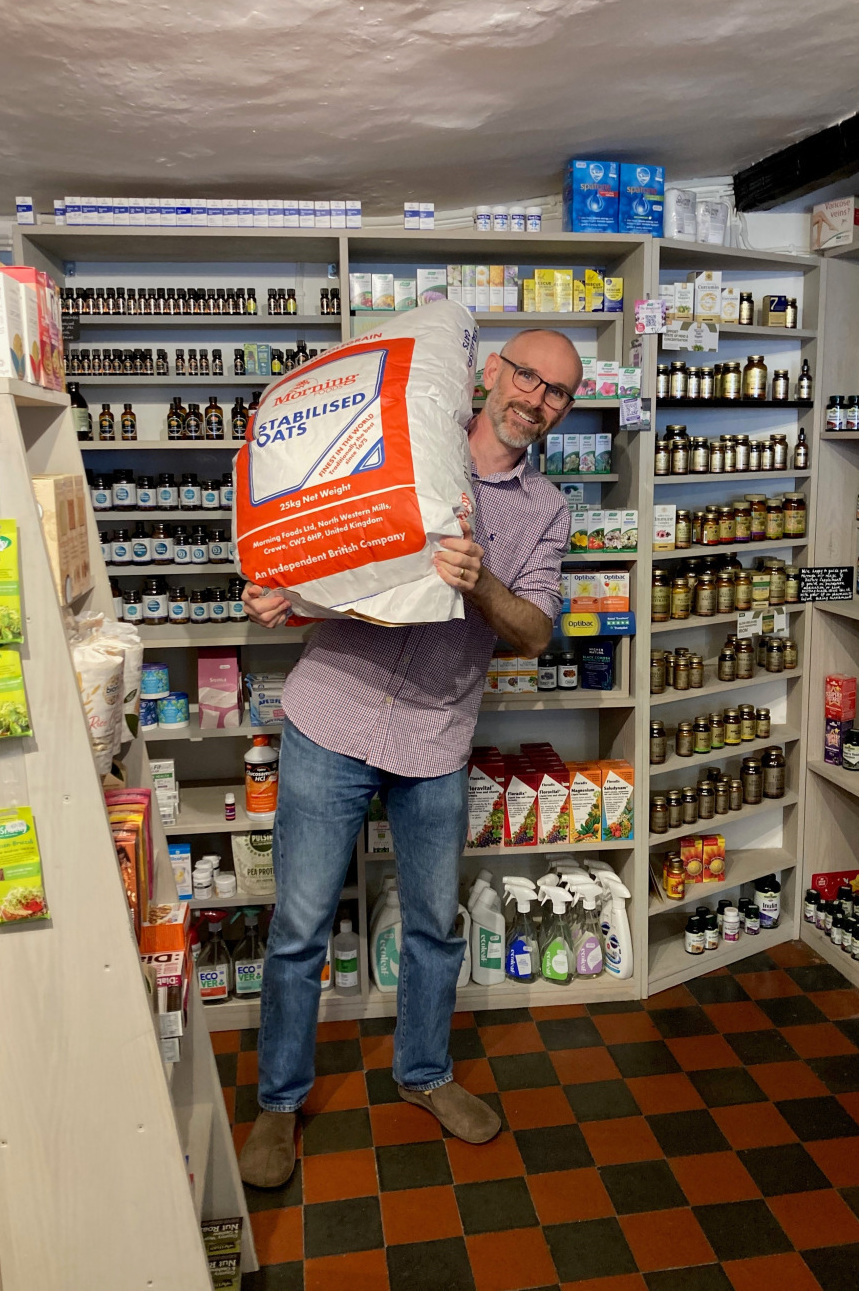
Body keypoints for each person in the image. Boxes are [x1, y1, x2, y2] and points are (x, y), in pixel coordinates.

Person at [238, 328, 581, 1188]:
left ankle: (425, 1075)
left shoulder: (545, 511)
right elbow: (327, 544)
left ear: (566, 409)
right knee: (298, 928)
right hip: (332, 718)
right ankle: (279, 1104)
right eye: (526, 377)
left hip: (434, 739)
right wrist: (281, 590)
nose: (534, 399)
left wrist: (480, 582)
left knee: (433, 926)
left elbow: (536, 631)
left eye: (557, 393)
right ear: (491, 371)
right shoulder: (399, 450)